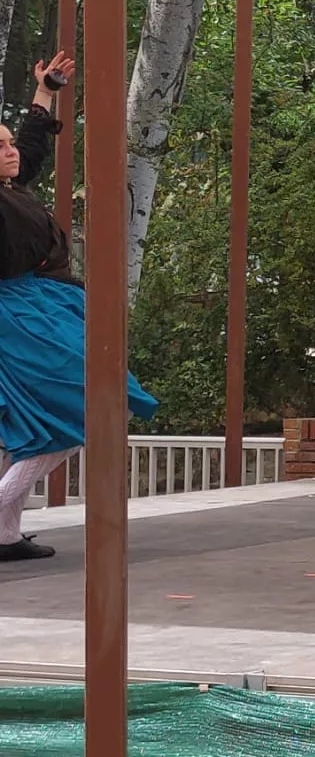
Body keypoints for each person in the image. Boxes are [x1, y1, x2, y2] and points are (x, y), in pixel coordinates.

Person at [0, 51, 158, 562]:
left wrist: (45, 94)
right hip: (17, 315)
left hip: (43, 305)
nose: (9, 152)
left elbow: (30, 150)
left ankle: (4, 532)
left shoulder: (12, 188)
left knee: (48, 421)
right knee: (84, 407)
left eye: (6, 144)